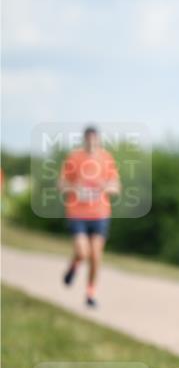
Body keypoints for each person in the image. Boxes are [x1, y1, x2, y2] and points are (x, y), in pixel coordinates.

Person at [60, 126, 120, 307]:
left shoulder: (106, 158)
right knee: (82, 252)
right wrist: (75, 189)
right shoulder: (74, 158)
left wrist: (104, 187)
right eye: (89, 140)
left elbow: (116, 187)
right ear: (84, 140)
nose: (92, 143)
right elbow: (61, 184)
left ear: (99, 140)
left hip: (100, 214)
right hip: (77, 213)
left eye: (95, 140)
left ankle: (90, 294)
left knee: (95, 255)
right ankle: (74, 265)